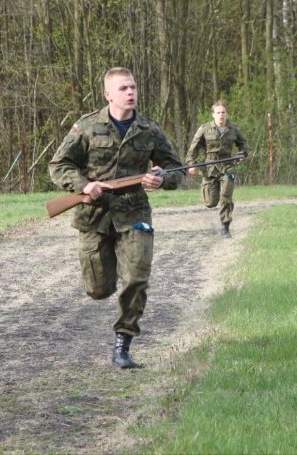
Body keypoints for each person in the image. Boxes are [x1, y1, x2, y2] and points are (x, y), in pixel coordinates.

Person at [48, 67, 185, 369]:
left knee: (136, 279)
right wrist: (84, 185)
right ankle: (106, 288)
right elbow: (58, 165)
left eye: (133, 87)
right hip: (94, 217)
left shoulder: (149, 130)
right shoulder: (86, 127)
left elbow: (177, 169)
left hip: (134, 212)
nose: (131, 93)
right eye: (123, 88)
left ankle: (123, 343)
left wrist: (161, 179)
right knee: (98, 289)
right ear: (108, 95)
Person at [185, 101, 250, 238]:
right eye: (218, 112)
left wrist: (241, 155)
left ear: (227, 114)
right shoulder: (204, 129)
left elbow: (243, 145)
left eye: (223, 112)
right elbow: (193, 148)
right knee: (210, 203)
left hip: (227, 166)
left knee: (226, 196)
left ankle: (225, 226)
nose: (221, 115)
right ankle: (209, 194)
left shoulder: (233, 129)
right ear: (213, 114)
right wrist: (192, 163)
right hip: (210, 167)